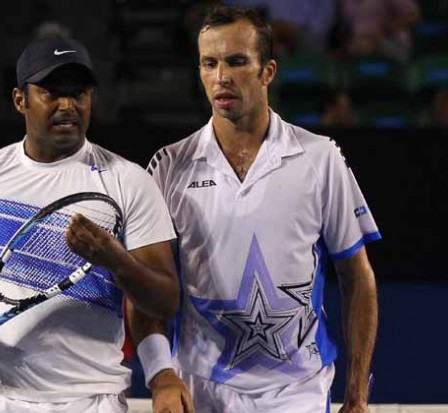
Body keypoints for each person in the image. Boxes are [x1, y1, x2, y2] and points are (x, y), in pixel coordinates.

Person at [0, 36, 191, 413]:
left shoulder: (129, 181)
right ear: (20, 100)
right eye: (51, 93)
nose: (68, 105)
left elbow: (164, 301)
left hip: (89, 401)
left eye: (80, 93)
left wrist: (116, 261)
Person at [143, 5, 380, 413]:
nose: (222, 78)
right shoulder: (168, 166)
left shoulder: (320, 158)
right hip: (201, 390)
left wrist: (357, 393)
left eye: (237, 62)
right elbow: (144, 287)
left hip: (298, 392)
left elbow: (357, 275)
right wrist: (161, 373)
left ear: (267, 71)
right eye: (209, 63)